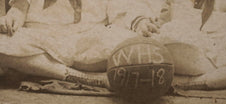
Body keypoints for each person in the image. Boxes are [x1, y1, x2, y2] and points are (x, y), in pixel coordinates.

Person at [0, 0, 161, 87]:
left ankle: (38, 69)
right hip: (41, 39)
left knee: (140, 45)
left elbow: (123, 8)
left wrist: (139, 22)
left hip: (89, 39)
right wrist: (11, 20)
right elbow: (18, 10)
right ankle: (83, 77)